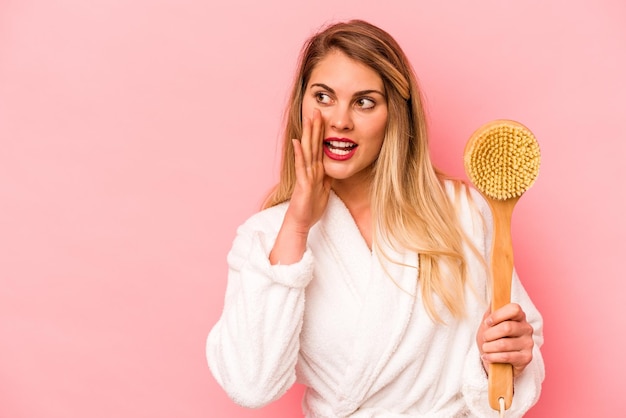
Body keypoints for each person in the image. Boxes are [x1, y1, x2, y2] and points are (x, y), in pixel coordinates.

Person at [206, 19, 544, 417]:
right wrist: (297, 227)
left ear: (394, 116)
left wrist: (508, 357)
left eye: (364, 101)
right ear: (302, 103)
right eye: (323, 96)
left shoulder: (463, 212)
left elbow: (517, 351)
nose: (340, 120)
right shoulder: (264, 238)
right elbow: (251, 383)